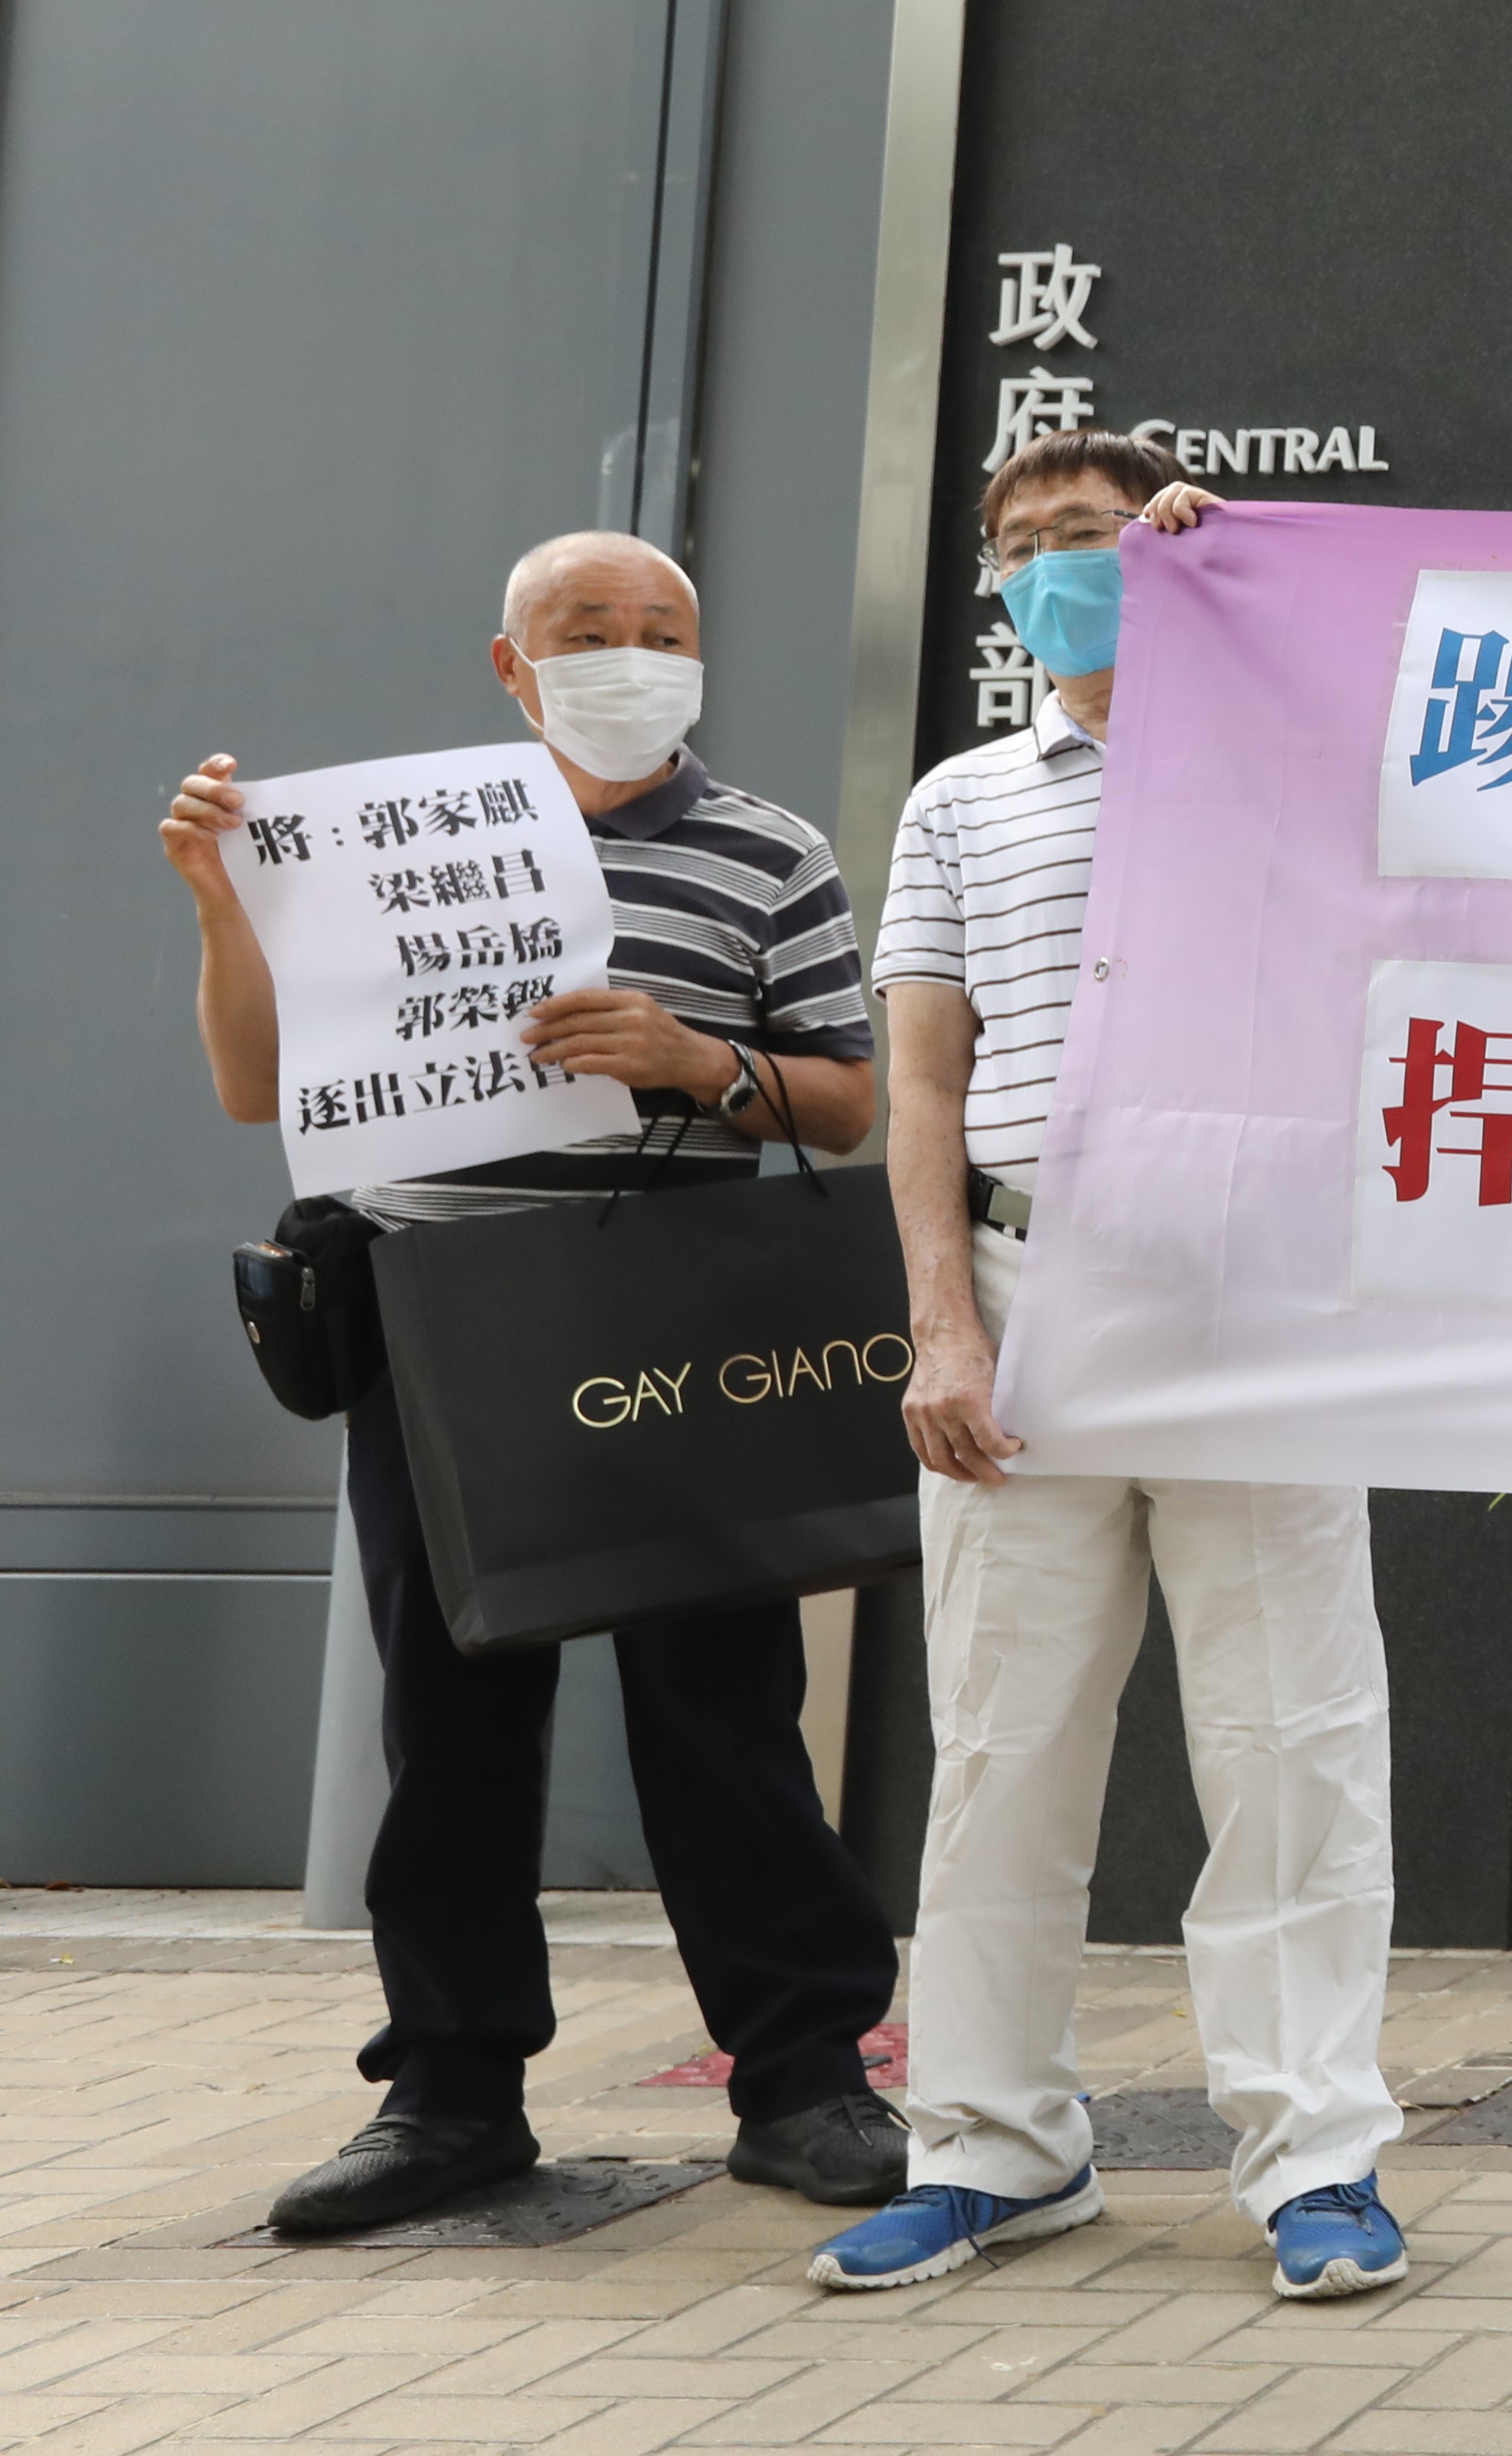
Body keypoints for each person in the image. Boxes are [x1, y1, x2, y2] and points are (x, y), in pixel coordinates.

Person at [155, 533, 910, 2237]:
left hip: (679, 1320)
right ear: (513, 664)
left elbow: (847, 1102)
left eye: (662, 630)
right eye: (588, 630)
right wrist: (219, 896)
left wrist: (697, 1063)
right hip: (439, 1321)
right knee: (449, 1719)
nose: (630, 655)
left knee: (722, 1709)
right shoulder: (378, 845)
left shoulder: (769, 850)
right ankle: (449, 2093)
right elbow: (255, 1084)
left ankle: (804, 2075)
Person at [806, 432, 1412, 2302]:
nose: (1055, 569)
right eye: (1022, 548)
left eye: (1094, 535)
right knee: (1002, 1749)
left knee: (1292, 1748)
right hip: (1025, 1290)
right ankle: (991, 2150)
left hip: (1257, 1302)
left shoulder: (1298, 762)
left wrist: (1259, 593)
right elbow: (922, 1078)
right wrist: (942, 1320)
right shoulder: (962, 804)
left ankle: (1317, 2157)